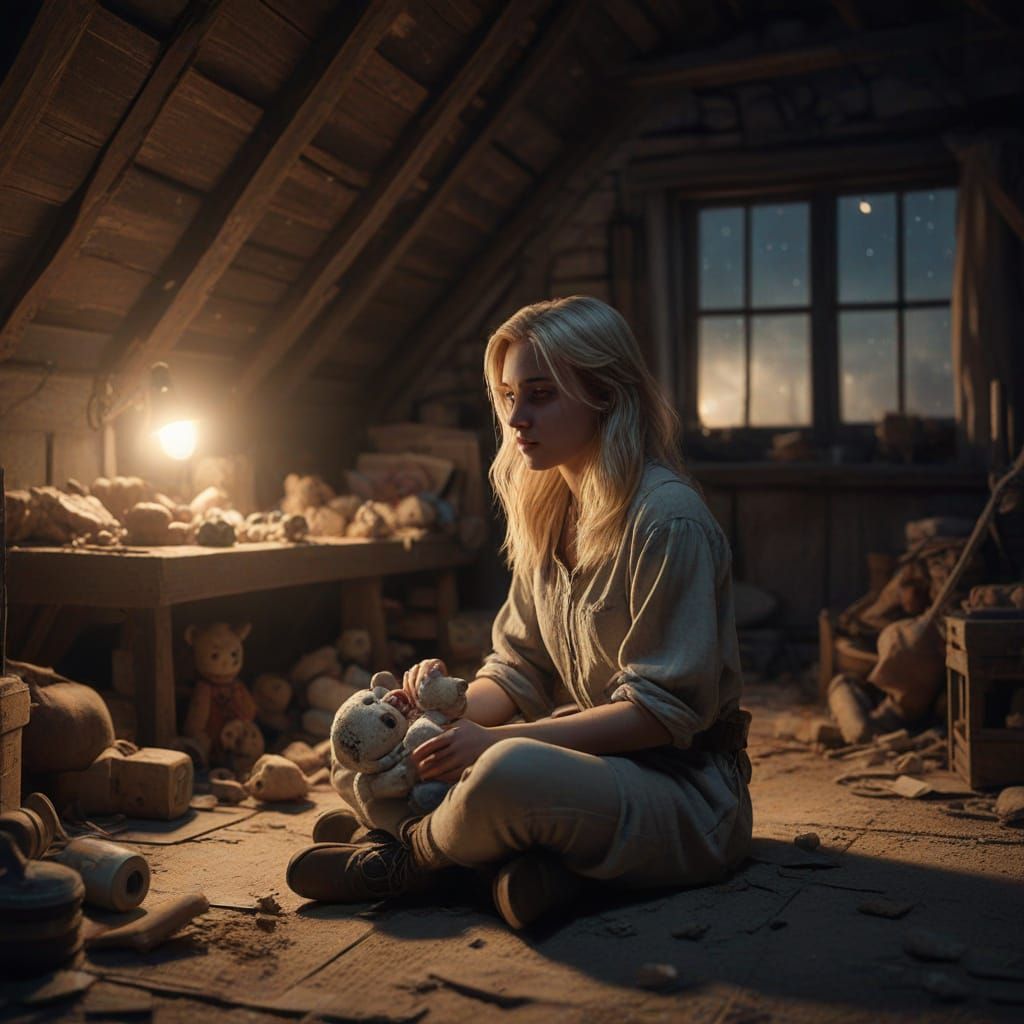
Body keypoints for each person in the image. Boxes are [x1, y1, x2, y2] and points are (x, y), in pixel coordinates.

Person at [287, 295, 753, 929]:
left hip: (687, 792)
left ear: (605, 396)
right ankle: (537, 875)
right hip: (601, 774)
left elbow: (658, 714)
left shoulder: (666, 521)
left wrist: (494, 743)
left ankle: (413, 857)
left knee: (511, 770)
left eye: (540, 395)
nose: (516, 418)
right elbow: (515, 671)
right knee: (363, 738)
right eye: (508, 397)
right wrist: (438, 710)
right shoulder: (549, 509)